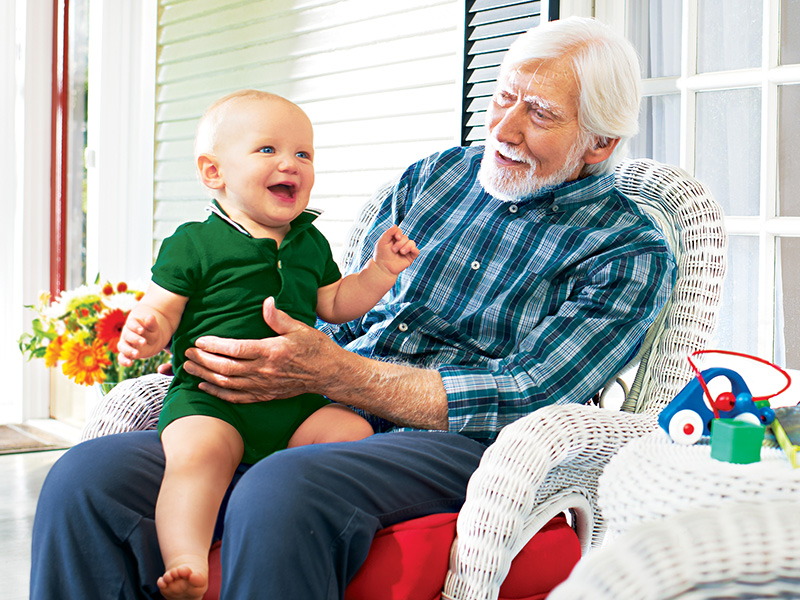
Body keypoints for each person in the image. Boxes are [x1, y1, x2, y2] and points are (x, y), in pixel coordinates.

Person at [31, 16, 676, 600]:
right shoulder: (438, 177)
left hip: (456, 441)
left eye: (537, 113)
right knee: (85, 478)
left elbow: (533, 392)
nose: (503, 129)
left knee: (282, 490)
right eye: (503, 96)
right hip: (320, 405)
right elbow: (346, 308)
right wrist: (251, 354)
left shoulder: (625, 252)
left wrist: (337, 373)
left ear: (597, 144)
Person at [115, 89, 418, 599]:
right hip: (212, 399)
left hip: (294, 403)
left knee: (349, 428)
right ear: (214, 173)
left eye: (304, 154)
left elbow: (336, 303)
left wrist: (381, 271)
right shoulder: (194, 242)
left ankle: (319, 529)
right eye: (268, 151)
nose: (291, 164)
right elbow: (162, 308)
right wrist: (147, 329)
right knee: (198, 460)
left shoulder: (310, 242)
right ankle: (187, 561)